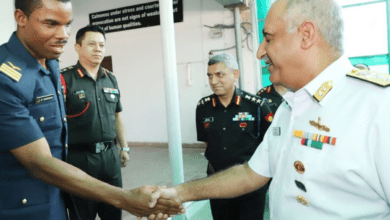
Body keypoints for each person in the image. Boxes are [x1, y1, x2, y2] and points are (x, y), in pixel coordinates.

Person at [159, 0, 390, 219]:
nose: (260, 52)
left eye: (268, 39)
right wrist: (178, 193)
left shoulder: (379, 107)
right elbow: (250, 174)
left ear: (306, 35)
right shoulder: (289, 108)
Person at [0, 1, 182, 220]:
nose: (63, 34)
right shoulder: (6, 78)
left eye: (68, 24)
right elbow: (39, 162)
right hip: (25, 205)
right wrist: (126, 198)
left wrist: (124, 148)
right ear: (21, 18)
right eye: (51, 24)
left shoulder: (50, 64)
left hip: (59, 194)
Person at [60, 25, 130, 220]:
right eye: (92, 44)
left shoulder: (111, 79)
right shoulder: (64, 79)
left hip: (110, 159)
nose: (98, 48)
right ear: (77, 47)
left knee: (113, 213)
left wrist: (124, 147)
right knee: (82, 215)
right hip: (80, 160)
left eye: (101, 45)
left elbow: (117, 116)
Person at [196, 53, 273, 220]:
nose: (213, 81)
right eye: (210, 76)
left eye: (220, 75)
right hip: (217, 182)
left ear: (235, 75)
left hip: (250, 183)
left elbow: (270, 144)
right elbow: (207, 142)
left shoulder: (257, 106)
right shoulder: (203, 107)